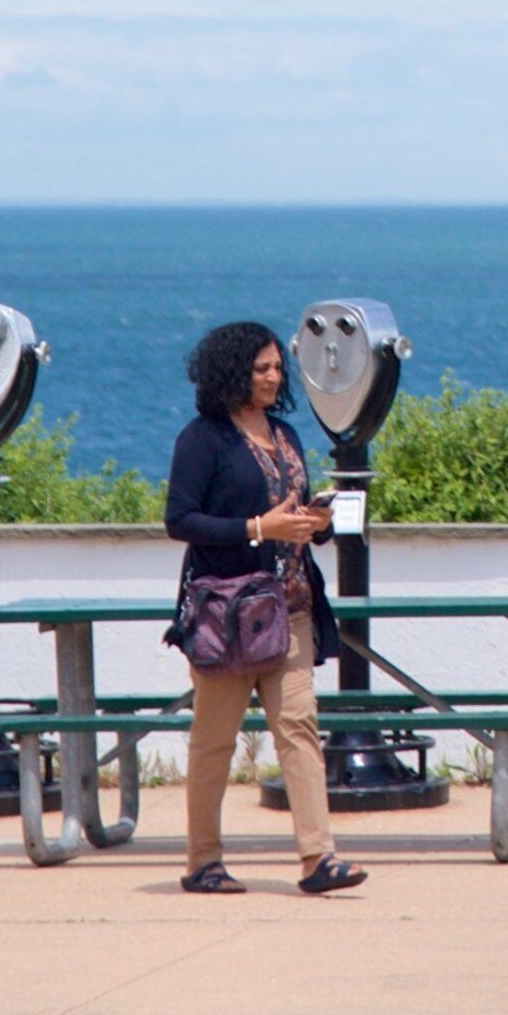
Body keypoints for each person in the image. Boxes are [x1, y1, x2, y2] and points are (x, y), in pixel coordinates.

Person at [160, 320, 364, 896]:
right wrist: (258, 527)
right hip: (225, 612)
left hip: (289, 605)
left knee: (299, 728)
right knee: (214, 740)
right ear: (234, 374)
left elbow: (287, 515)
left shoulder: (286, 435)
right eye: (263, 369)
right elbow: (180, 519)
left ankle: (318, 859)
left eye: (278, 367)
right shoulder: (202, 439)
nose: (276, 377)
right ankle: (203, 861)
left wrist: (310, 524)